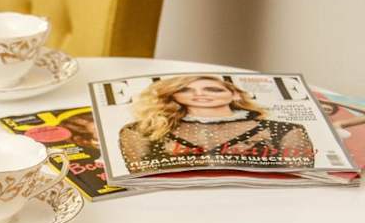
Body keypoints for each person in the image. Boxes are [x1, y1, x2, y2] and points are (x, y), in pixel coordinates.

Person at [119, 75, 315, 174]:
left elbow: (300, 176)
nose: (200, 94)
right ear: (173, 95)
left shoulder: (286, 130)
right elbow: (141, 177)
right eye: (186, 90)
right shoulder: (140, 130)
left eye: (213, 89)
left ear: (235, 94)